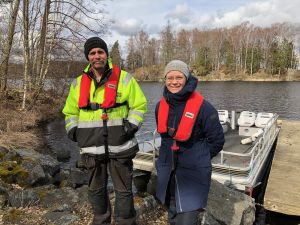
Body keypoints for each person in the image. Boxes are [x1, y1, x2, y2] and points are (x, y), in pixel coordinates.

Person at [62, 37, 147, 225]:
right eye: (92, 53)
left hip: (121, 146)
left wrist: (131, 126)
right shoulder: (77, 84)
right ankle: (101, 220)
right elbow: (69, 112)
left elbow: (139, 106)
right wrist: (73, 131)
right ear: (88, 57)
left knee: (124, 190)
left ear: (106, 54)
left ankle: (126, 222)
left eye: (100, 52)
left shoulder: (124, 78)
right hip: (91, 148)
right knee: (95, 189)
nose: (96, 56)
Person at [155, 60, 224, 225]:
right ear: (165, 80)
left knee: (187, 218)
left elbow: (217, 140)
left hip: (193, 173)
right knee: (171, 210)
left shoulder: (205, 108)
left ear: (186, 78)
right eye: (169, 77)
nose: (174, 82)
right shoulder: (160, 106)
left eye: (179, 77)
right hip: (168, 170)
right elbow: (165, 139)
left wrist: (199, 157)